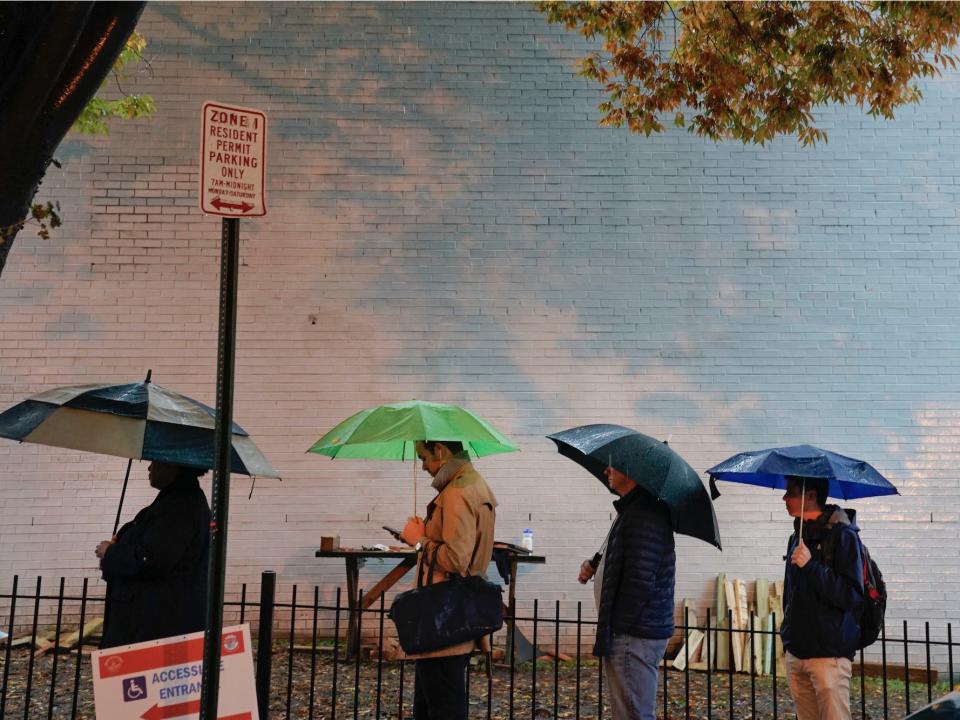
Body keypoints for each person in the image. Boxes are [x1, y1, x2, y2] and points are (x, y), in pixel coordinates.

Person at [399, 440, 498, 720]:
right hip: (454, 615)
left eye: (424, 457)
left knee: (443, 708)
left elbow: (456, 559)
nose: (423, 466)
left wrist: (418, 541)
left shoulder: (458, 492)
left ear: (440, 451)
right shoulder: (473, 484)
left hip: (442, 619)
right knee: (431, 706)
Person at [577, 464, 676, 720]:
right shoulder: (633, 510)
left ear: (631, 471)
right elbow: (629, 560)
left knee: (633, 714)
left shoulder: (644, 514)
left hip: (634, 635)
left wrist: (618, 627)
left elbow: (640, 581)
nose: (606, 470)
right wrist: (596, 565)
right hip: (632, 632)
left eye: (613, 465)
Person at [95, 461, 211, 648]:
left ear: (172, 466)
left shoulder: (178, 506)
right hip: (155, 620)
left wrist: (110, 552)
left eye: (155, 463)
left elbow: (153, 559)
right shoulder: (176, 501)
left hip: (154, 624)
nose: (149, 468)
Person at [781, 475, 865, 720]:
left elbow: (852, 596)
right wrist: (788, 637)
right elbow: (791, 593)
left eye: (792, 492)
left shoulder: (843, 536)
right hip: (797, 653)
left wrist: (811, 566)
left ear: (811, 495)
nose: (785, 498)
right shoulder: (796, 539)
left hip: (829, 656)